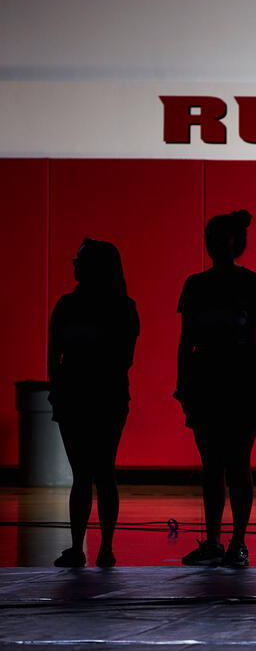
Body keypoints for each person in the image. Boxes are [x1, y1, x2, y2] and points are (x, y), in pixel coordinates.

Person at [175, 210, 256, 568]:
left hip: (236, 382)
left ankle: (233, 541)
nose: (214, 244)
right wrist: (183, 383)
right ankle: (223, 542)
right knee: (216, 465)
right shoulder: (199, 284)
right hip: (213, 383)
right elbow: (185, 342)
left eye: (220, 237)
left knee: (233, 464)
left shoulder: (251, 284)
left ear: (235, 242)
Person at [47, 239, 139, 568]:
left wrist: (59, 386)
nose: (74, 265)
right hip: (104, 396)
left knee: (85, 474)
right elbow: (123, 358)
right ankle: (104, 548)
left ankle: (80, 546)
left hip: (84, 395)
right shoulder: (124, 307)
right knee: (101, 472)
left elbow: (53, 355)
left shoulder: (67, 306)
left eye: (79, 260)